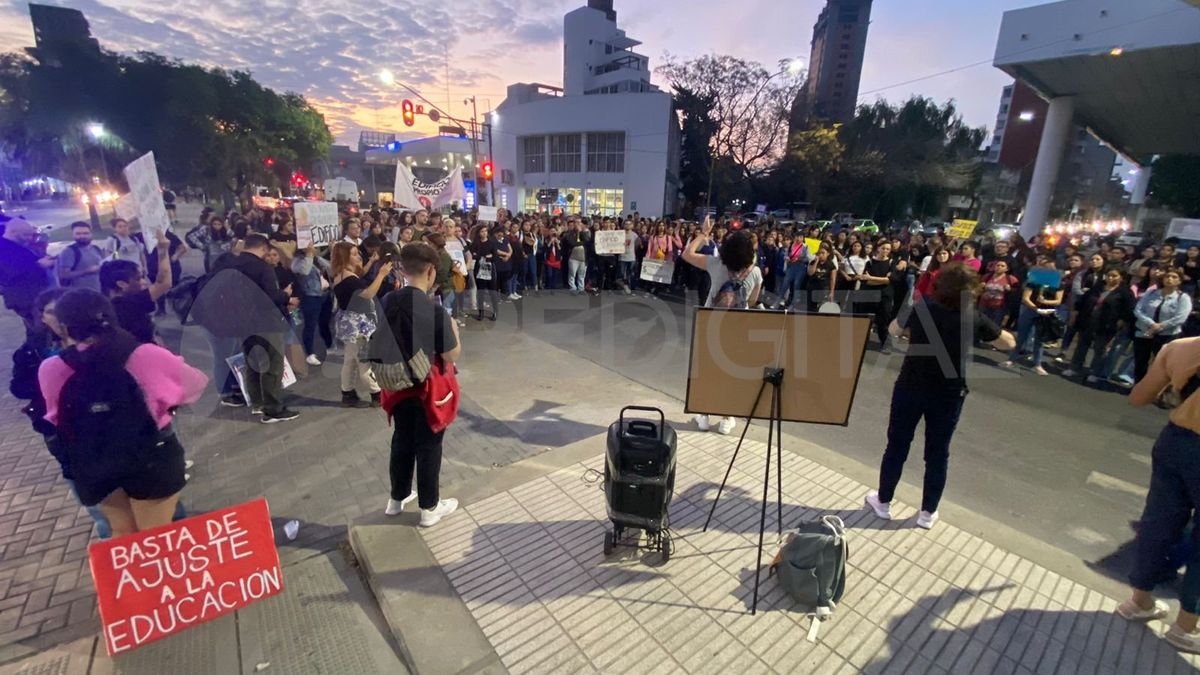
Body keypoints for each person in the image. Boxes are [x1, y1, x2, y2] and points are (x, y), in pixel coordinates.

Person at [37, 289, 207, 536]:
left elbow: (55, 414)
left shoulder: (51, 368)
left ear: (64, 328)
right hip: (150, 455)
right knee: (155, 536)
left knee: (122, 535)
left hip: (94, 460)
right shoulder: (143, 355)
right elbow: (195, 384)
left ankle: (131, 573)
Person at [865, 263, 1016, 529]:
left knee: (897, 445)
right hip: (948, 393)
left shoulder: (922, 308)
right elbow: (1008, 343)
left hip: (911, 385)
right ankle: (927, 513)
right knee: (937, 453)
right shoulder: (973, 317)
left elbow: (893, 329)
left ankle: (884, 501)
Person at [1118, 336, 1200, 653]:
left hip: (1175, 443)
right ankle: (1185, 626)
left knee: (1157, 524)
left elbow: (1139, 397)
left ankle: (1139, 600)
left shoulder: (1179, 348)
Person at [379, 242, 462, 527]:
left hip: (394, 385)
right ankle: (429, 507)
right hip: (426, 390)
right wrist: (451, 327)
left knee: (402, 440)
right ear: (430, 271)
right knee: (429, 444)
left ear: (402, 268)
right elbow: (451, 355)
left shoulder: (388, 300)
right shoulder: (434, 311)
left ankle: (397, 498)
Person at [194, 234, 299, 422]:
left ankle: (257, 404)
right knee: (272, 365)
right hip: (266, 323)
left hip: (242, 323)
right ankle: (273, 409)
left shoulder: (231, 264)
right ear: (263, 248)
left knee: (253, 364)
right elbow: (271, 297)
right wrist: (286, 296)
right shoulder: (262, 268)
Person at [682, 219, 762, 436]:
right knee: (731, 371)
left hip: (710, 322)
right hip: (737, 327)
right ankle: (727, 418)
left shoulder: (716, 264)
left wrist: (703, 234)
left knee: (707, 369)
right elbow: (754, 301)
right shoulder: (755, 273)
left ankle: (704, 415)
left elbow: (687, 254)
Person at [331, 242, 391, 408]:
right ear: (345, 257)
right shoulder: (348, 279)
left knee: (350, 359)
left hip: (350, 322)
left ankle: (347, 392)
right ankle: (376, 393)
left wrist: (371, 262)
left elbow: (361, 273)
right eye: (354, 254)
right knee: (363, 361)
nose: (359, 257)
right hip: (356, 326)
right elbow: (368, 293)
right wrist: (381, 275)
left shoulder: (343, 274)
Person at [99, 233, 174, 344]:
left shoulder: (104, 306)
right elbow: (164, 283)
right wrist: (163, 250)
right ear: (122, 284)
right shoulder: (129, 303)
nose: (144, 282)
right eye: (138, 279)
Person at [1002, 255, 1064, 375]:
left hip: (1046, 312)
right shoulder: (1034, 280)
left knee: (1040, 339)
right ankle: (1011, 359)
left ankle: (1037, 364)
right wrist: (1036, 308)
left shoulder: (1058, 283)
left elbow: (1058, 300)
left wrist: (1045, 302)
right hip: (1030, 310)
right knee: (1022, 336)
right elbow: (1026, 298)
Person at [1132, 269, 1193, 383]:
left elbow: (1181, 317)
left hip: (1167, 334)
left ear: (1179, 281)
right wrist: (1151, 324)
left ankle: (1156, 389)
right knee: (1140, 360)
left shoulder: (1182, 297)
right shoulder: (1151, 293)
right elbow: (1138, 310)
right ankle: (1138, 385)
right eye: (1167, 276)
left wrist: (1161, 326)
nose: (1170, 279)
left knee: (1161, 363)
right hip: (1145, 331)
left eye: (1174, 277)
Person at [0, 218, 55, 337]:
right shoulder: (3, 249)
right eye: (26, 235)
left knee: (43, 329)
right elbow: (11, 273)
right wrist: (39, 265)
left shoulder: (18, 245)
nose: (30, 238)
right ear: (13, 232)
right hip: (25, 298)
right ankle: (40, 353)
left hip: (34, 294)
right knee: (41, 331)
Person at [292, 243, 332, 366]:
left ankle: (330, 346)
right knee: (310, 325)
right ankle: (310, 353)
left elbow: (330, 266)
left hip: (324, 294)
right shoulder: (297, 261)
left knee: (325, 322)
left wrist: (331, 251)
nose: (313, 247)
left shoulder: (316, 259)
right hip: (310, 296)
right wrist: (309, 255)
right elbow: (305, 270)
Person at [857, 241, 897, 352]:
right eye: (883, 248)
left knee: (883, 320)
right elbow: (865, 280)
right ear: (878, 248)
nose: (885, 251)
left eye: (888, 249)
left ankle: (885, 344)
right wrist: (882, 280)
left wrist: (872, 278)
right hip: (869, 295)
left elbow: (890, 280)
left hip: (885, 296)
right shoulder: (870, 263)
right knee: (865, 319)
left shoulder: (891, 263)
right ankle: (860, 342)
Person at [56, 222, 105, 291]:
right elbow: (64, 275)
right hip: (79, 295)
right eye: (78, 234)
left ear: (91, 234)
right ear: (73, 235)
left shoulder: (96, 248)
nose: (82, 236)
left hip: (98, 291)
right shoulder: (69, 251)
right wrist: (87, 271)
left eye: (85, 233)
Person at [978, 260, 1018, 328]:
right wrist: (980, 287)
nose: (999, 267)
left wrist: (1010, 289)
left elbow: (1017, 291)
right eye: (998, 265)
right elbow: (978, 289)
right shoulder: (987, 276)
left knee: (994, 326)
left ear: (1006, 269)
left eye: (1002, 266)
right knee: (980, 325)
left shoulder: (1011, 279)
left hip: (999, 308)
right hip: (984, 305)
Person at [805, 243, 838, 312]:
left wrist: (832, 292)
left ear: (828, 254)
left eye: (823, 253)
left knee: (821, 308)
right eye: (819, 253)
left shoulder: (831, 265)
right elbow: (810, 273)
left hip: (823, 289)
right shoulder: (813, 262)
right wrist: (816, 262)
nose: (821, 255)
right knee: (811, 309)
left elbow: (833, 279)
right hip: (812, 287)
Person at [563, 218, 591, 294]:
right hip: (573, 257)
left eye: (579, 222)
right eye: (576, 222)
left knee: (582, 274)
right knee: (572, 273)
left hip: (583, 257)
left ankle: (581, 287)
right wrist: (581, 242)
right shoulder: (570, 233)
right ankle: (573, 287)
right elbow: (572, 243)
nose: (578, 224)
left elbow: (587, 241)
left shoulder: (585, 233)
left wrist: (581, 232)